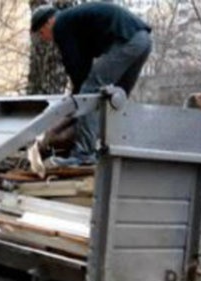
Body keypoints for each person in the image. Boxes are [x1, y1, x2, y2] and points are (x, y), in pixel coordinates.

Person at [31, 2, 152, 166]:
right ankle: (118, 150)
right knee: (116, 99)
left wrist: (77, 99)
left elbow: (74, 65)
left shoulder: (61, 25)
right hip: (143, 40)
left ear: (48, 22)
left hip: (127, 41)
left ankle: (84, 154)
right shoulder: (75, 22)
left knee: (90, 92)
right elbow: (84, 65)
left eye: (41, 32)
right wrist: (79, 92)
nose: (44, 38)